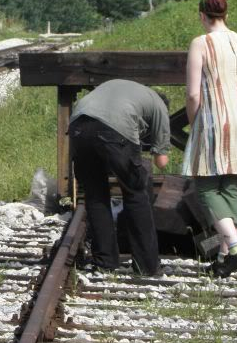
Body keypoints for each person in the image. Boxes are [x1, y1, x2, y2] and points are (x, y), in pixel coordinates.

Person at [183, 0, 237, 278]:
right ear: (226, 14)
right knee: (230, 183)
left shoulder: (201, 43)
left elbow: (193, 94)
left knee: (205, 185)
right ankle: (224, 256)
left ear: (202, 15)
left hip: (216, 118)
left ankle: (235, 247)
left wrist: (195, 123)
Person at [69, 79, 170, 276]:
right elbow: (162, 162)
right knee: (135, 193)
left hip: (78, 126)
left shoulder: (125, 88)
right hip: (114, 128)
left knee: (95, 195)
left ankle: (105, 262)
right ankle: (147, 266)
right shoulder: (160, 107)